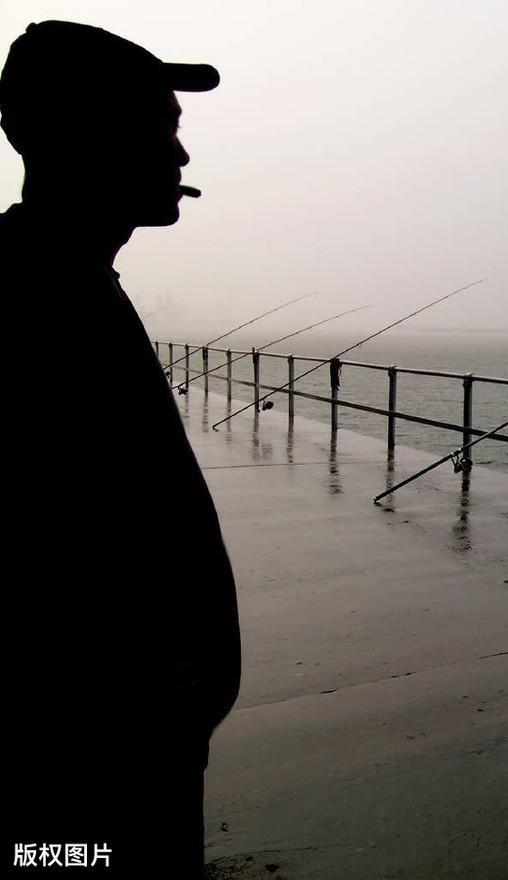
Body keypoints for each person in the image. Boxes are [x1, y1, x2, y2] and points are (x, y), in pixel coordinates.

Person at [0, 21, 240, 878]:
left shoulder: (69, 276)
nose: (179, 153)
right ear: (66, 133)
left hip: (139, 747)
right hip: (86, 770)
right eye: (155, 124)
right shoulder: (27, 298)